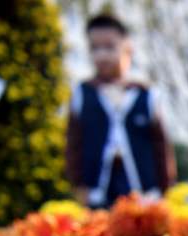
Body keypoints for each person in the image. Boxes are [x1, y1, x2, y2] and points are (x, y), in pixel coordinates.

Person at [65, 13, 176, 209]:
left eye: (109, 47)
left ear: (128, 48)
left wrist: (164, 187)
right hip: (98, 191)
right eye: (94, 48)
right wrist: (79, 185)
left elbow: (160, 144)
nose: (101, 55)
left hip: (143, 193)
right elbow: (73, 143)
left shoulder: (146, 94)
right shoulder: (82, 93)